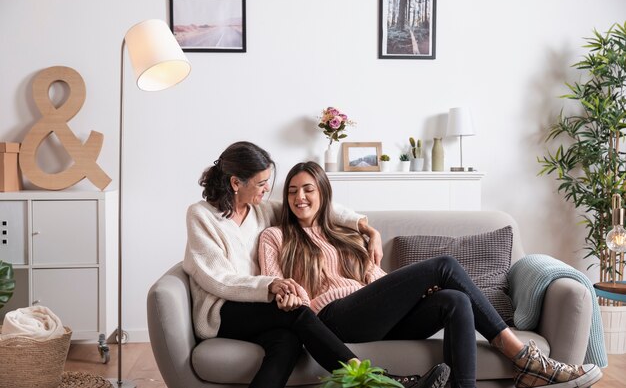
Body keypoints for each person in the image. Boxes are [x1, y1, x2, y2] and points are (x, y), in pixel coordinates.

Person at [258, 161, 604, 388]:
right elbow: (275, 285)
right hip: (332, 319)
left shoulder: (346, 235)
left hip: (372, 314)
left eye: (308, 190)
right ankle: (523, 357)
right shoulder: (275, 236)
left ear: (324, 195)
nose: (299, 197)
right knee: (444, 266)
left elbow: (375, 283)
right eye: (292, 191)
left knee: (452, 299)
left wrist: (409, 294)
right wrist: (290, 296)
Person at [182, 142, 450, 388]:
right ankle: (370, 380)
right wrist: (272, 285)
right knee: (296, 312)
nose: (266, 189)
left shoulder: (260, 210)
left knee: (286, 342)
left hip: (258, 307)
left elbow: (316, 206)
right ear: (235, 183)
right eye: (262, 183)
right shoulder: (202, 215)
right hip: (222, 311)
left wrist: (367, 228)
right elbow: (217, 278)